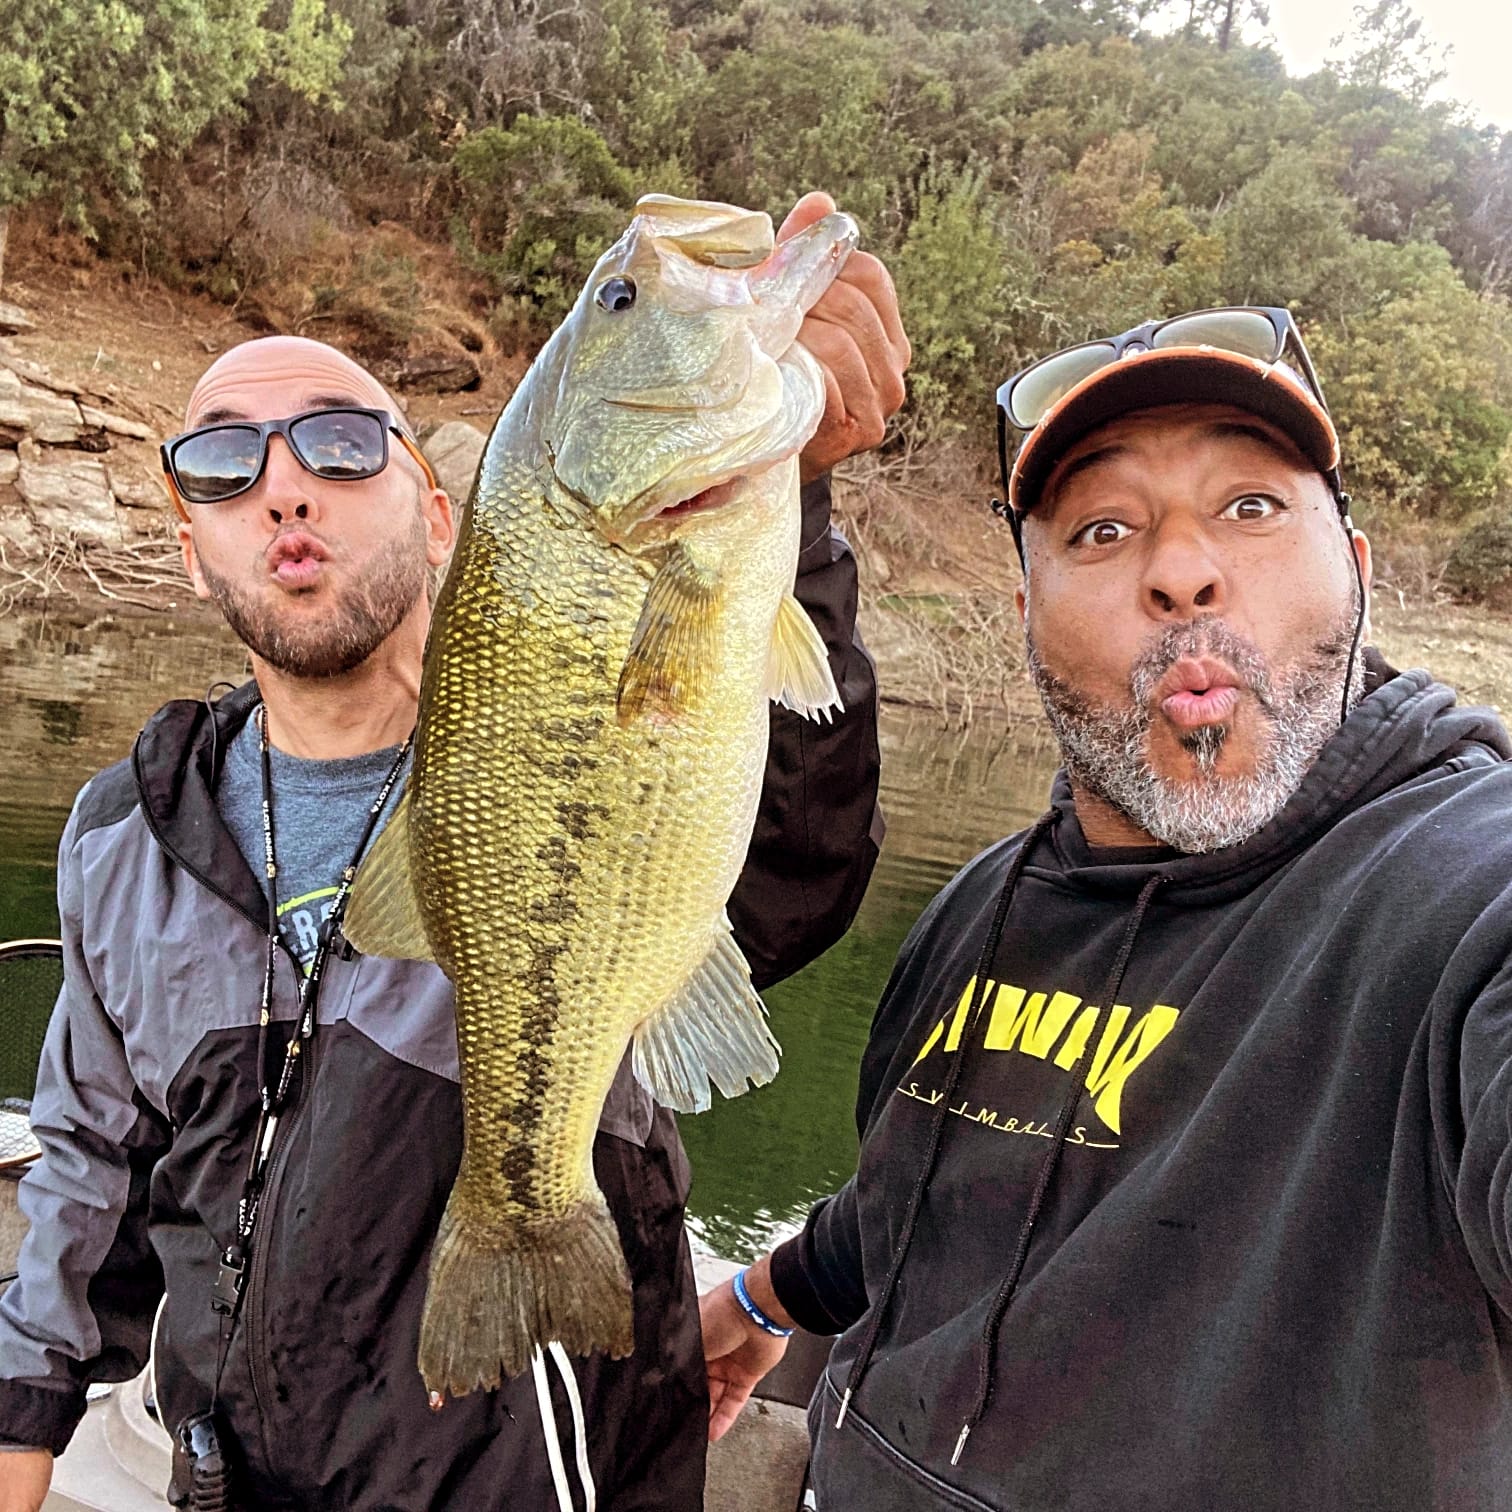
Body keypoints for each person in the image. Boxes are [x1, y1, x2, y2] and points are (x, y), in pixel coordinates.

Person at [0, 191, 910, 1511]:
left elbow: (793, 877)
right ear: (194, 554)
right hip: (233, 1474)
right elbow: (88, 1171)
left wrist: (798, 500)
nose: (284, 486)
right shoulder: (126, 832)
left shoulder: (535, 731)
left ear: (440, 517)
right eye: (220, 467)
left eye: (337, 441)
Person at [702, 305, 1512, 1510]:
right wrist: (764, 1299)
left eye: (1249, 506)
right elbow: (918, 1181)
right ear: (1025, 613)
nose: (1182, 569)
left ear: (1358, 566)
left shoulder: (1463, 889)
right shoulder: (984, 905)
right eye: (1104, 527)